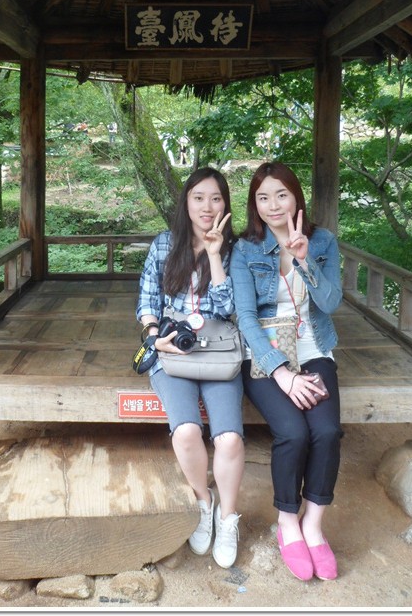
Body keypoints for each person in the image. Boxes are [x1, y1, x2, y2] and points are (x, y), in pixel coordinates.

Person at [230, 161, 343, 582]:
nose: (273, 205)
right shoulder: (245, 249)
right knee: (293, 432)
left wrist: (304, 261)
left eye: (281, 194)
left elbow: (331, 304)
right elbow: (244, 317)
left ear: (296, 197)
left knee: (326, 431)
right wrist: (282, 373)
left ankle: (313, 524)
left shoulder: (323, 241)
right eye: (263, 197)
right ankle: (287, 522)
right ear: (254, 204)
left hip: (313, 348)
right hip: (264, 354)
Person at [136, 167, 245, 568]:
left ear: (225, 203)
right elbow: (148, 299)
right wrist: (154, 336)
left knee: (229, 440)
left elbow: (228, 308)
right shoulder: (165, 244)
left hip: (218, 350)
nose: (207, 206)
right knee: (185, 431)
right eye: (198, 198)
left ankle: (228, 517)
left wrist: (215, 255)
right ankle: (203, 500)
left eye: (215, 198)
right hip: (174, 350)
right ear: (186, 202)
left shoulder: (236, 250)